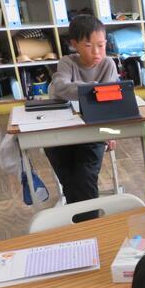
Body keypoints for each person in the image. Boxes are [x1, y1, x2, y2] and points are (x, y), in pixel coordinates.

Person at [46, 14, 118, 220]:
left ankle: (86, 224)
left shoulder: (108, 65)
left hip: (94, 131)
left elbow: (111, 101)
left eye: (101, 45)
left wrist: (110, 132)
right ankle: (84, 222)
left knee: (84, 174)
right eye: (88, 46)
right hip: (62, 131)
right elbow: (59, 87)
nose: (96, 52)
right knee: (68, 174)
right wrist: (95, 90)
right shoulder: (67, 62)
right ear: (74, 44)